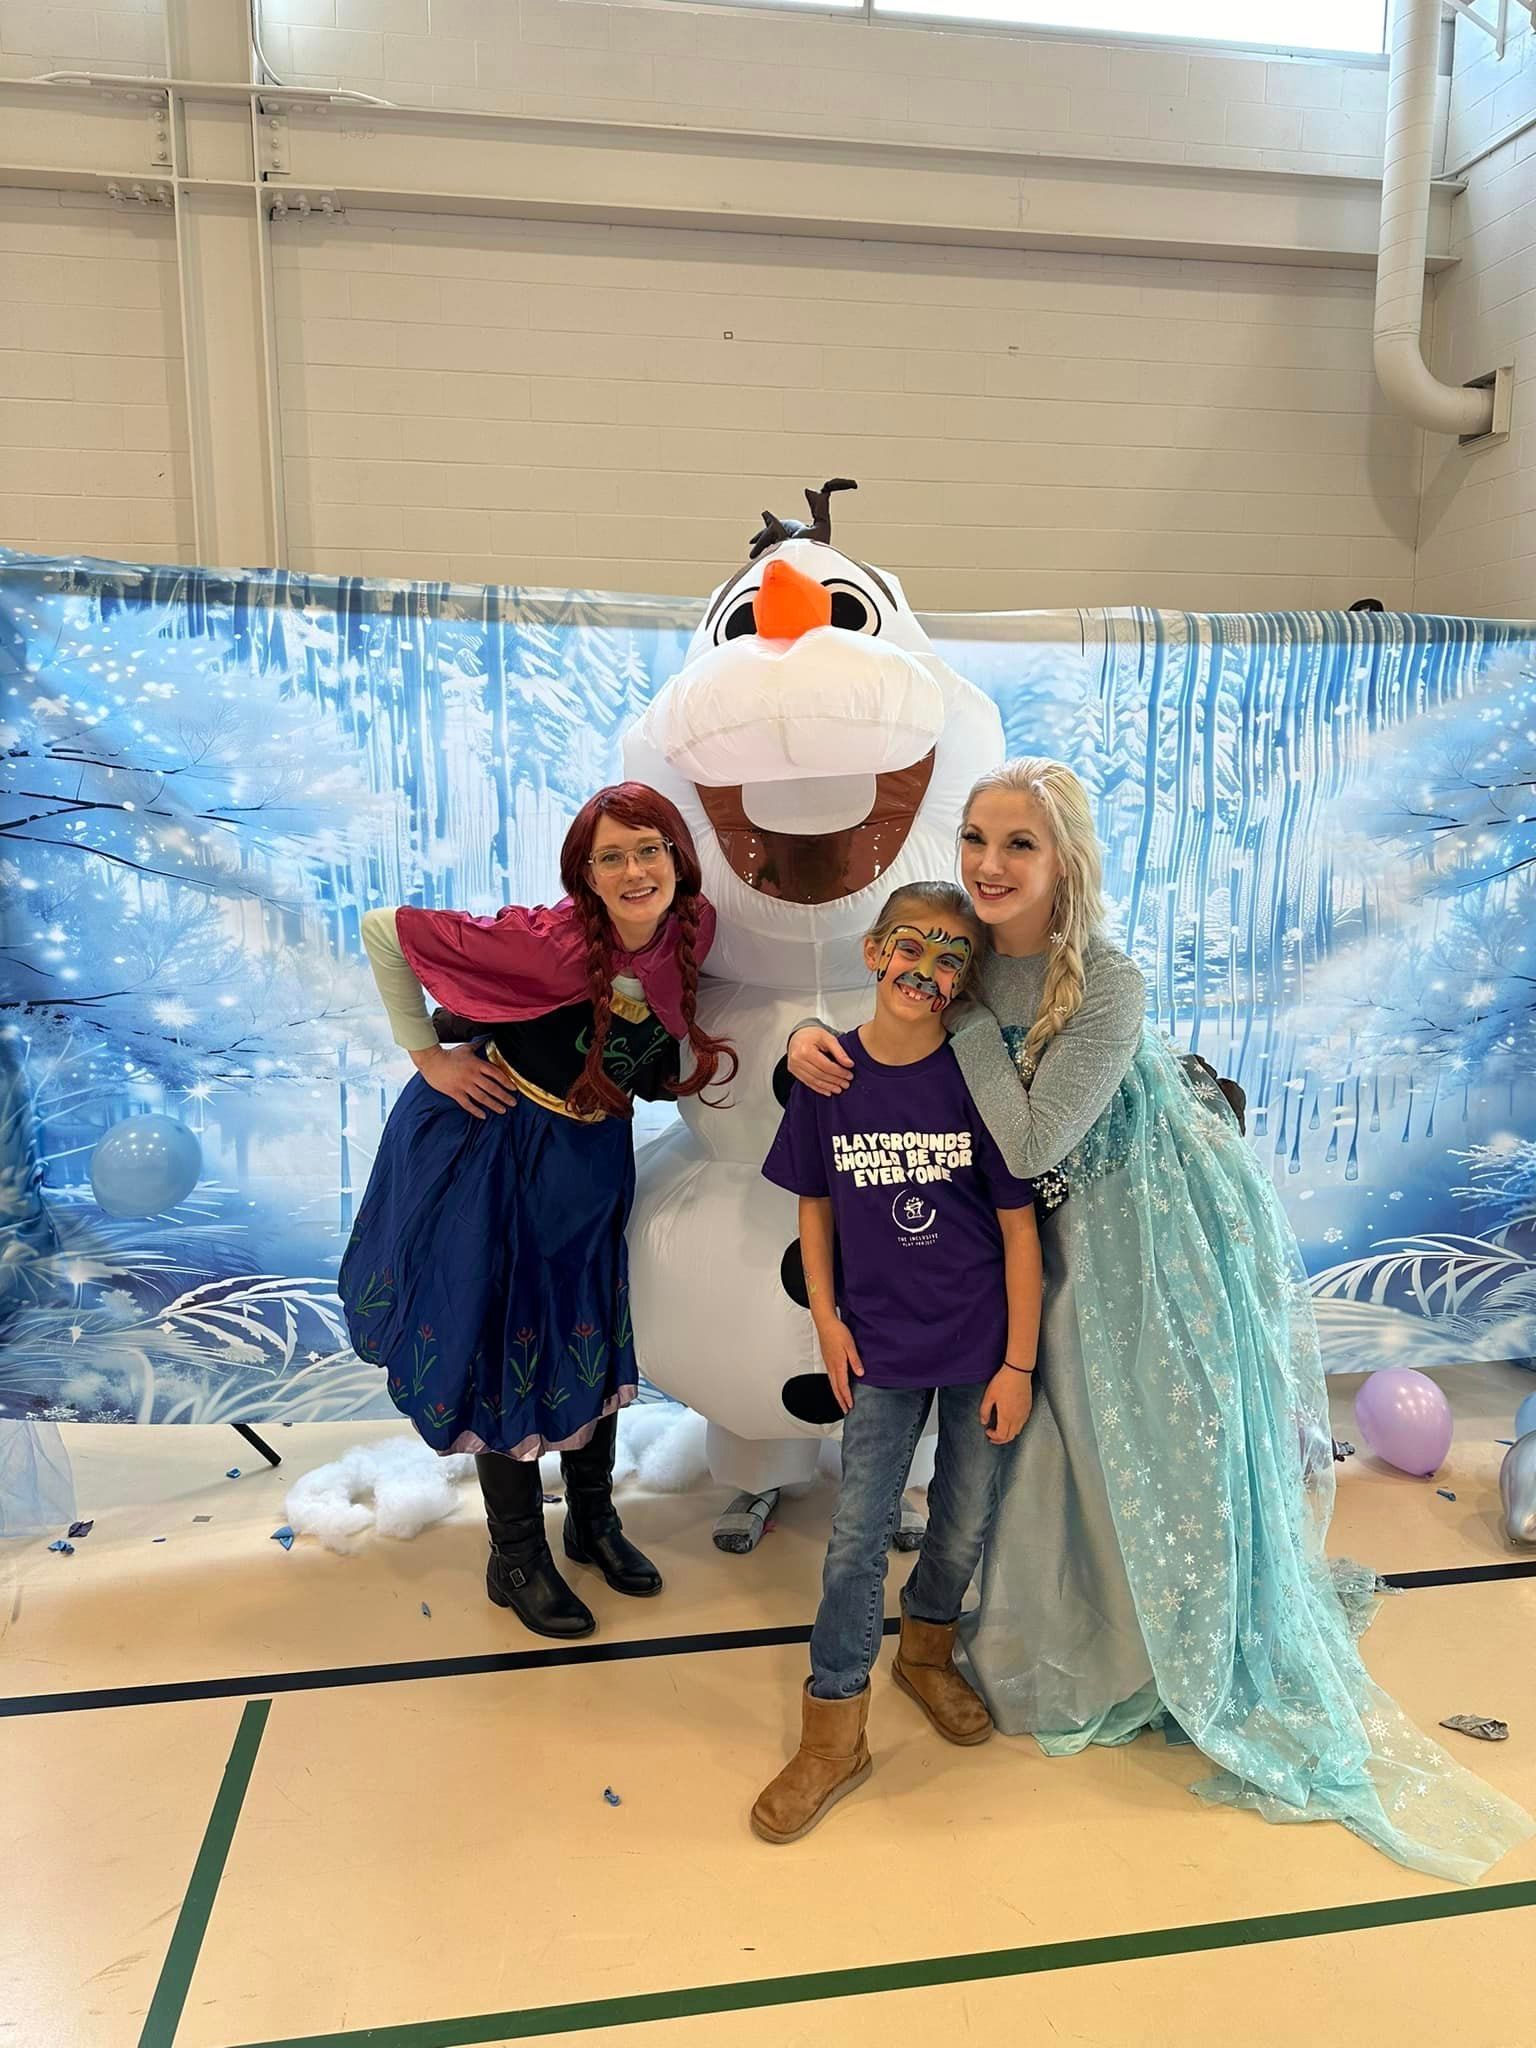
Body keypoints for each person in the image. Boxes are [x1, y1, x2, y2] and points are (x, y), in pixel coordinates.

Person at [787, 760, 1532, 1883]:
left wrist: (966, 1025)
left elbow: (1032, 1142)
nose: (989, 863)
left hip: (1124, 1230)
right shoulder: (960, 960)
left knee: (1117, 1437)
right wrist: (815, 1038)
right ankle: (954, 1650)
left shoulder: (1105, 983)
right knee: (1028, 1456)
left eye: (1019, 844)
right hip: (1005, 1238)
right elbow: (892, 1028)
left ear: (1065, 862)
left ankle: (1111, 1641)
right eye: (977, 838)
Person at [339, 783, 735, 1642]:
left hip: (591, 1162)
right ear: (584, 873)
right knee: (501, 1339)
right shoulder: (545, 943)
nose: (635, 870)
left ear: (676, 856)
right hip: (500, 1158)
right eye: (612, 856)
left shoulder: (688, 930)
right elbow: (382, 929)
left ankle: (592, 1521)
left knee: (590, 1326)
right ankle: (514, 1554)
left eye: (649, 849)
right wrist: (429, 1061)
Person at [752, 883, 1042, 1845]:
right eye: (911, 947)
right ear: (874, 951)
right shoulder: (829, 1073)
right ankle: (834, 1728)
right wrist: (827, 1324)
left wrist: (1018, 1364)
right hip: (876, 1351)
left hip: (979, 1351)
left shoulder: (978, 1078)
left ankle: (926, 1651)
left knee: (961, 1524)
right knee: (853, 1539)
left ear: (968, 982)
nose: (927, 969)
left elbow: (1018, 1229)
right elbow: (815, 1208)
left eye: (952, 956)